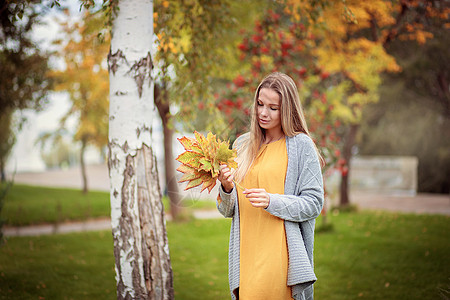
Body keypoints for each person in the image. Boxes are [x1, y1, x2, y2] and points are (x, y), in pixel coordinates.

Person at [217, 72, 324, 300]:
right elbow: (228, 210)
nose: (263, 113)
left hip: (279, 256)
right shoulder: (243, 144)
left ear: (287, 109)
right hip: (246, 254)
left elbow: (314, 203)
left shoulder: (301, 145)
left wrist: (271, 201)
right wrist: (226, 188)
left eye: (273, 108)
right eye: (260, 104)